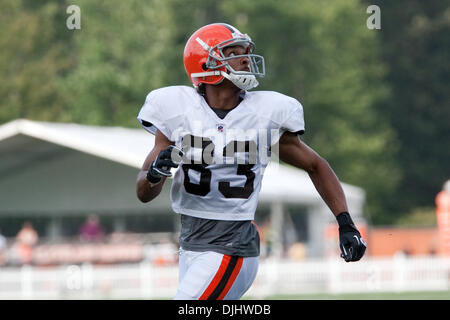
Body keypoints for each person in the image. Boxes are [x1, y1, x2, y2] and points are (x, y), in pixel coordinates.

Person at [136, 23, 366, 300]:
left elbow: (315, 165)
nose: (245, 58)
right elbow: (144, 193)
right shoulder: (176, 110)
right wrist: (154, 174)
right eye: (233, 52)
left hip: (232, 245)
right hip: (191, 245)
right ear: (205, 63)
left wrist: (345, 223)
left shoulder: (264, 115)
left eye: (245, 51)